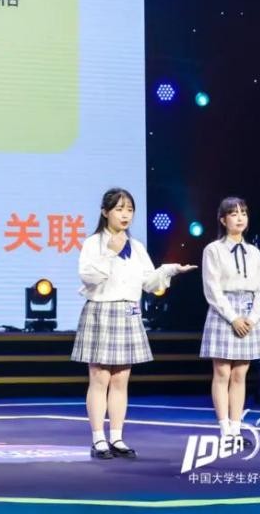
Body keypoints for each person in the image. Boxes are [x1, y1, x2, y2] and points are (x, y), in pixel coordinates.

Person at [73, 187, 196, 459]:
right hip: (102, 311)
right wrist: (110, 252)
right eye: (119, 209)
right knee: (100, 378)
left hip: (128, 312)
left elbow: (149, 283)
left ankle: (117, 437)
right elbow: (88, 277)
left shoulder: (136, 247)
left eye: (129, 209)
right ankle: (98, 439)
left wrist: (170, 270)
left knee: (120, 380)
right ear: (105, 212)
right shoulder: (94, 243)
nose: (125, 214)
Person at [199, 197, 260, 443]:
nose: (240, 218)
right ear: (223, 219)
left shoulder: (254, 252)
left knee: (240, 374)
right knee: (222, 372)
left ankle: (236, 428)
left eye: (243, 213)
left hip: (249, 313)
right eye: (234, 213)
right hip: (224, 312)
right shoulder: (213, 250)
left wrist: (252, 318)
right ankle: (224, 428)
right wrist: (233, 318)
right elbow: (212, 289)